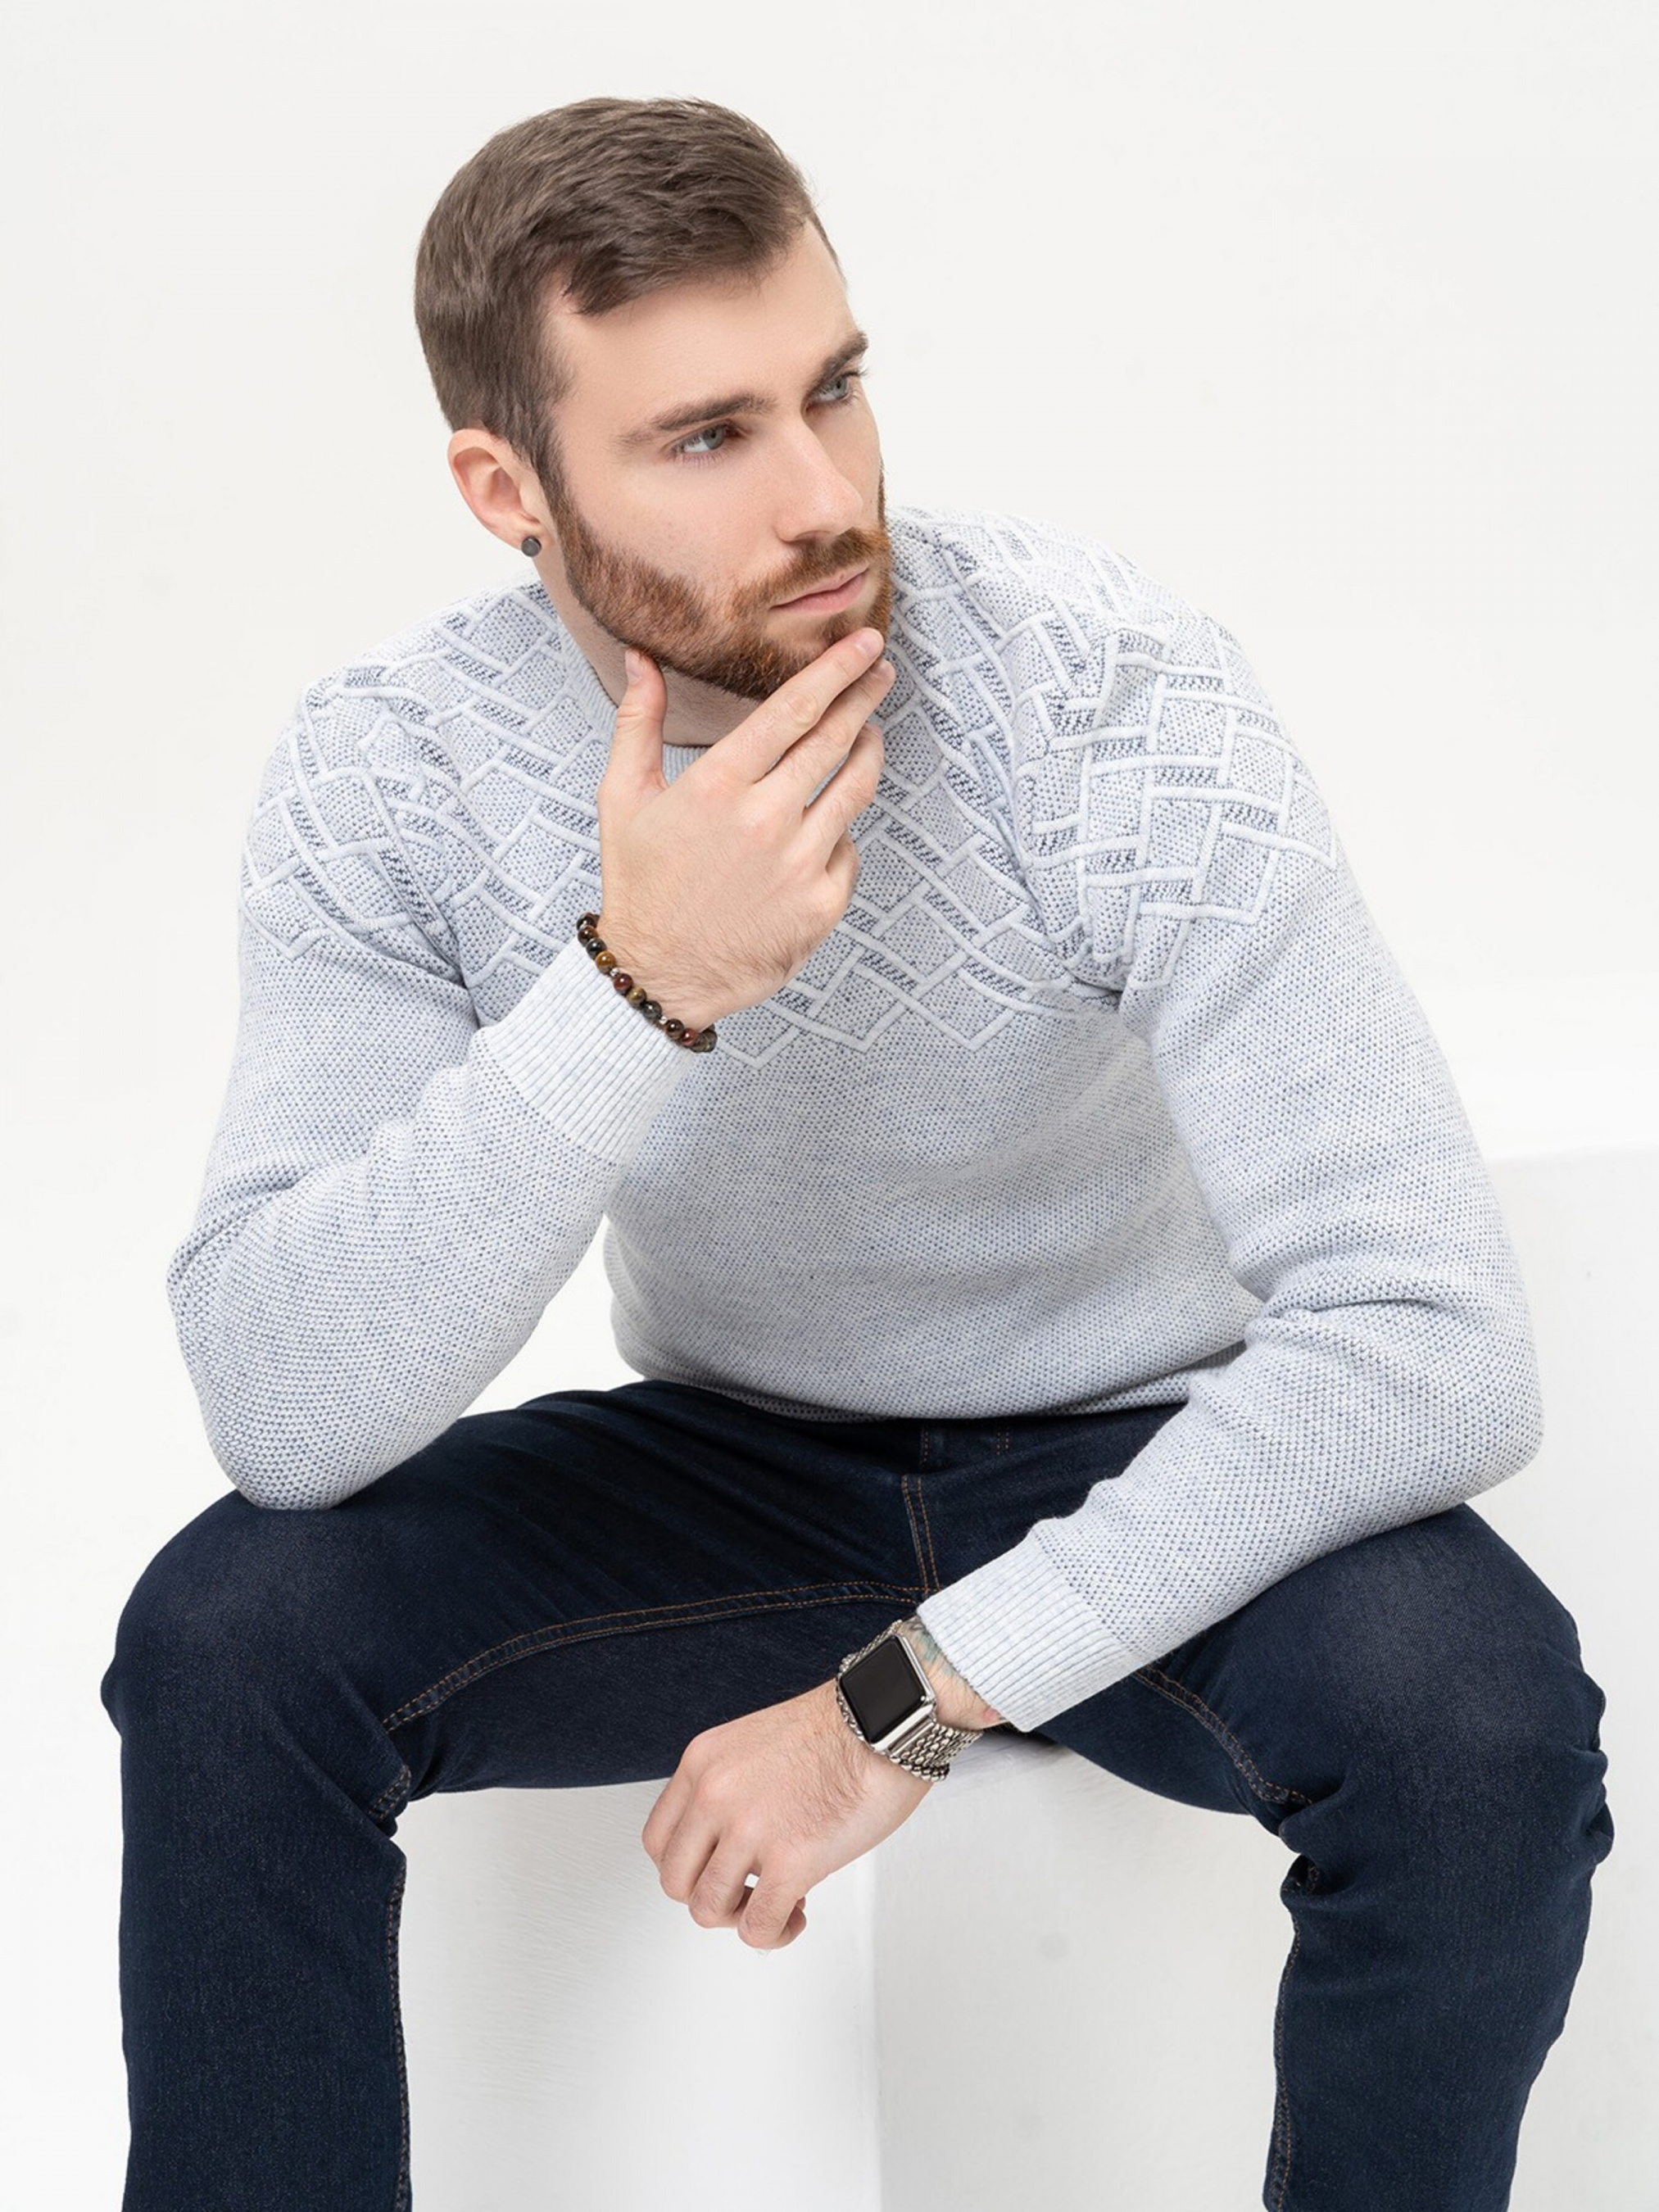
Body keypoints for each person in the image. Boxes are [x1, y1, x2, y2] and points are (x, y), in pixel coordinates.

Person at [98, 94, 1613, 2212]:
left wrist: (900, 1700)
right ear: (507, 488)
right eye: (707, 436)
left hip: (1141, 1437)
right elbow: (285, 1403)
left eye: (833, 388)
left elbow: (1429, 1334)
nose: (823, 496)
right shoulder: (389, 773)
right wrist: (640, 984)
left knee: (1479, 1723)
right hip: (726, 1461)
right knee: (228, 1634)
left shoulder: (1108, 696)